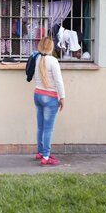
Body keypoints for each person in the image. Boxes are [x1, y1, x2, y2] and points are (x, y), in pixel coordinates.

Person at [33, 36, 65, 166]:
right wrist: (62, 97)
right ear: (51, 47)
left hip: (37, 95)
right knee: (48, 129)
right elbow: (58, 81)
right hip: (50, 97)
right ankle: (46, 156)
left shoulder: (37, 58)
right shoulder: (53, 61)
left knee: (40, 127)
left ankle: (40, 152)